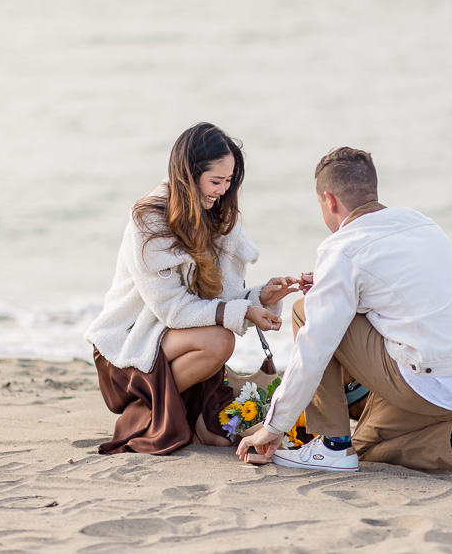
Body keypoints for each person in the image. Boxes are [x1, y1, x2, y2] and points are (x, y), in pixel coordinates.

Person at [236, 147, 452, 478]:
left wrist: (275, 425)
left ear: (329, 201)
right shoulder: (423, 224)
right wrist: (328, 283)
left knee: (306, 311)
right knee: (365, 446)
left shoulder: (342, 247)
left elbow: (314, 347)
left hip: (424, 383)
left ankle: (333, 445)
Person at [85, 123, 300, 455]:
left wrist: (259, 298)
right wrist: (243, 312)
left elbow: (220, 299)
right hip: (130, 345)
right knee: (219, 340)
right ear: (188, 174)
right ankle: (141, 414)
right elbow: (172, 309)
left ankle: (182, 413)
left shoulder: (218, 216)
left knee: (214, 438)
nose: (222, 191)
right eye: (216, 181)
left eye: (229, 182)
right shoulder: (149, 220)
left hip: (175, 338)